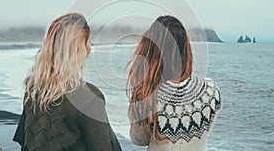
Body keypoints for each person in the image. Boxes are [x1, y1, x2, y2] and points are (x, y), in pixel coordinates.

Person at [13, 13, 122, 151]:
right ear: (78, 49)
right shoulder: (88, 97)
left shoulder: (33, 89)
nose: (90, 47)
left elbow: (26, 142)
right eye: (88, 42)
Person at [126, 15, 222, 151]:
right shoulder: (211, 90)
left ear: (150, 51)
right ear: (186, 48)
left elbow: (138, 140)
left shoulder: (147, 95)